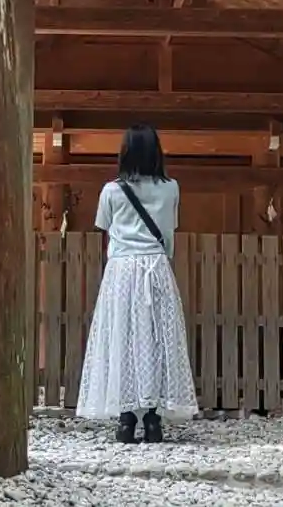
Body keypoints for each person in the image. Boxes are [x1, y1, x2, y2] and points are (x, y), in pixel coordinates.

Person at [76, 123, 198, 443]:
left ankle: (126, 420)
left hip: (121, 270)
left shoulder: (111, 191)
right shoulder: (171, 188)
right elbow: (169, 230)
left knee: (122, 338)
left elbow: (105, 227)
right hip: (156, 267)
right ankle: (153, 419)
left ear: (125, 152)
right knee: (157, 341)